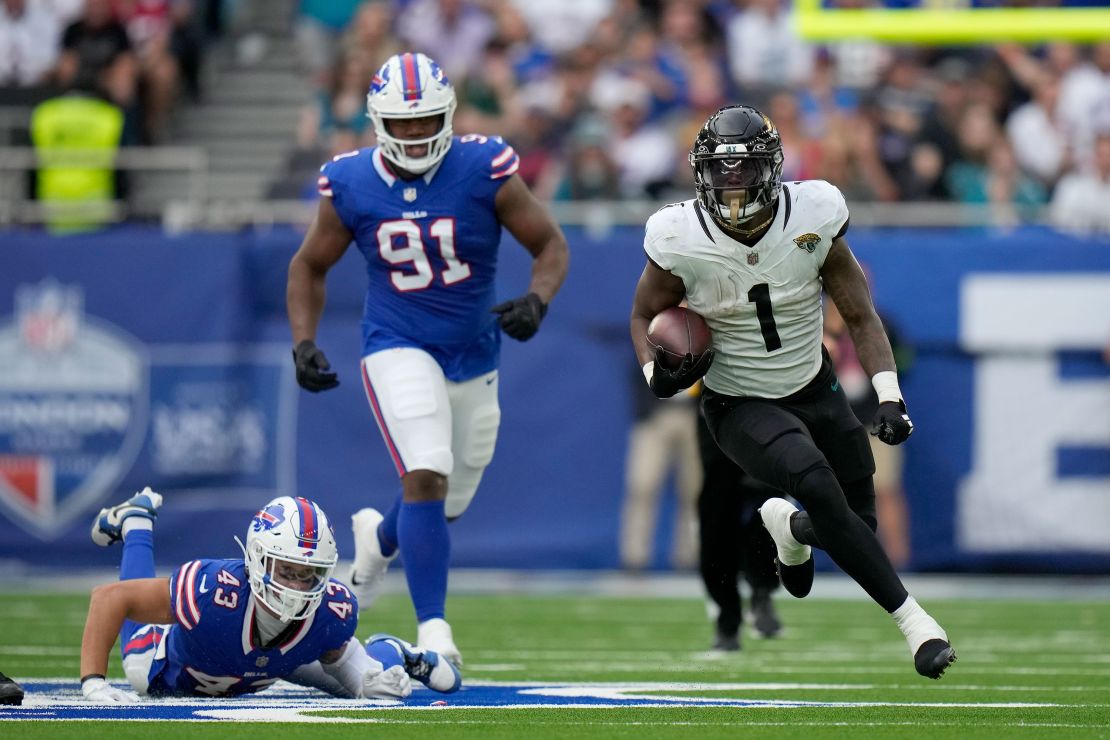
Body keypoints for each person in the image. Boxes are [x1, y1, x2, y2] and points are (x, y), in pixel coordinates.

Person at [629, 104, 956, 680]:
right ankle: (918, 626)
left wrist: (888, 395)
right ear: (701, 172)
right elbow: (642, 316)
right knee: (816, 483)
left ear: (771, 168)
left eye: (743, 169)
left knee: (855, 527)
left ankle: (791, 529)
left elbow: (858, 313)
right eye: (719, 171)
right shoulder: (677, 233)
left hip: (815, 385)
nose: (730, 185)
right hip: (738, 401)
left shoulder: (815, 210)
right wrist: (657, 375)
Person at [286, 52, 569, 668]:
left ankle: (377, 540)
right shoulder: (350, 180)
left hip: (474, 351)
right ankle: (434, 631)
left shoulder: (483, 166)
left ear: (447, 115)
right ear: (378, 121)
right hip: (396, 341)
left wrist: (538, 300)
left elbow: (549, 243)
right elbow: (309, 263)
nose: (414, 133)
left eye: (425, 121)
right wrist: (303, 339)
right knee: (428, 469)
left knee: (446, 500)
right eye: (402, 123)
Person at [79, 488, 460, 703]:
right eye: (288, 571)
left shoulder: (331, 610)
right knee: (137, 669)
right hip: (172, 667)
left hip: (276, 660)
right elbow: (111, 599)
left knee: (372, 690)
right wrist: (94, 681)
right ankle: (137, 521)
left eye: (308, 574)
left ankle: (397, 653)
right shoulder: (213, 592)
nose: (296, 584)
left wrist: (369, 679)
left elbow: (342, 658)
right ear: (258, 560)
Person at [696, 408, 783, 652]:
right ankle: (727, 616)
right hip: (718, 408)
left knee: (769, 504)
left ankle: (762, 588)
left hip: (768, 407)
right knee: (717, 514)